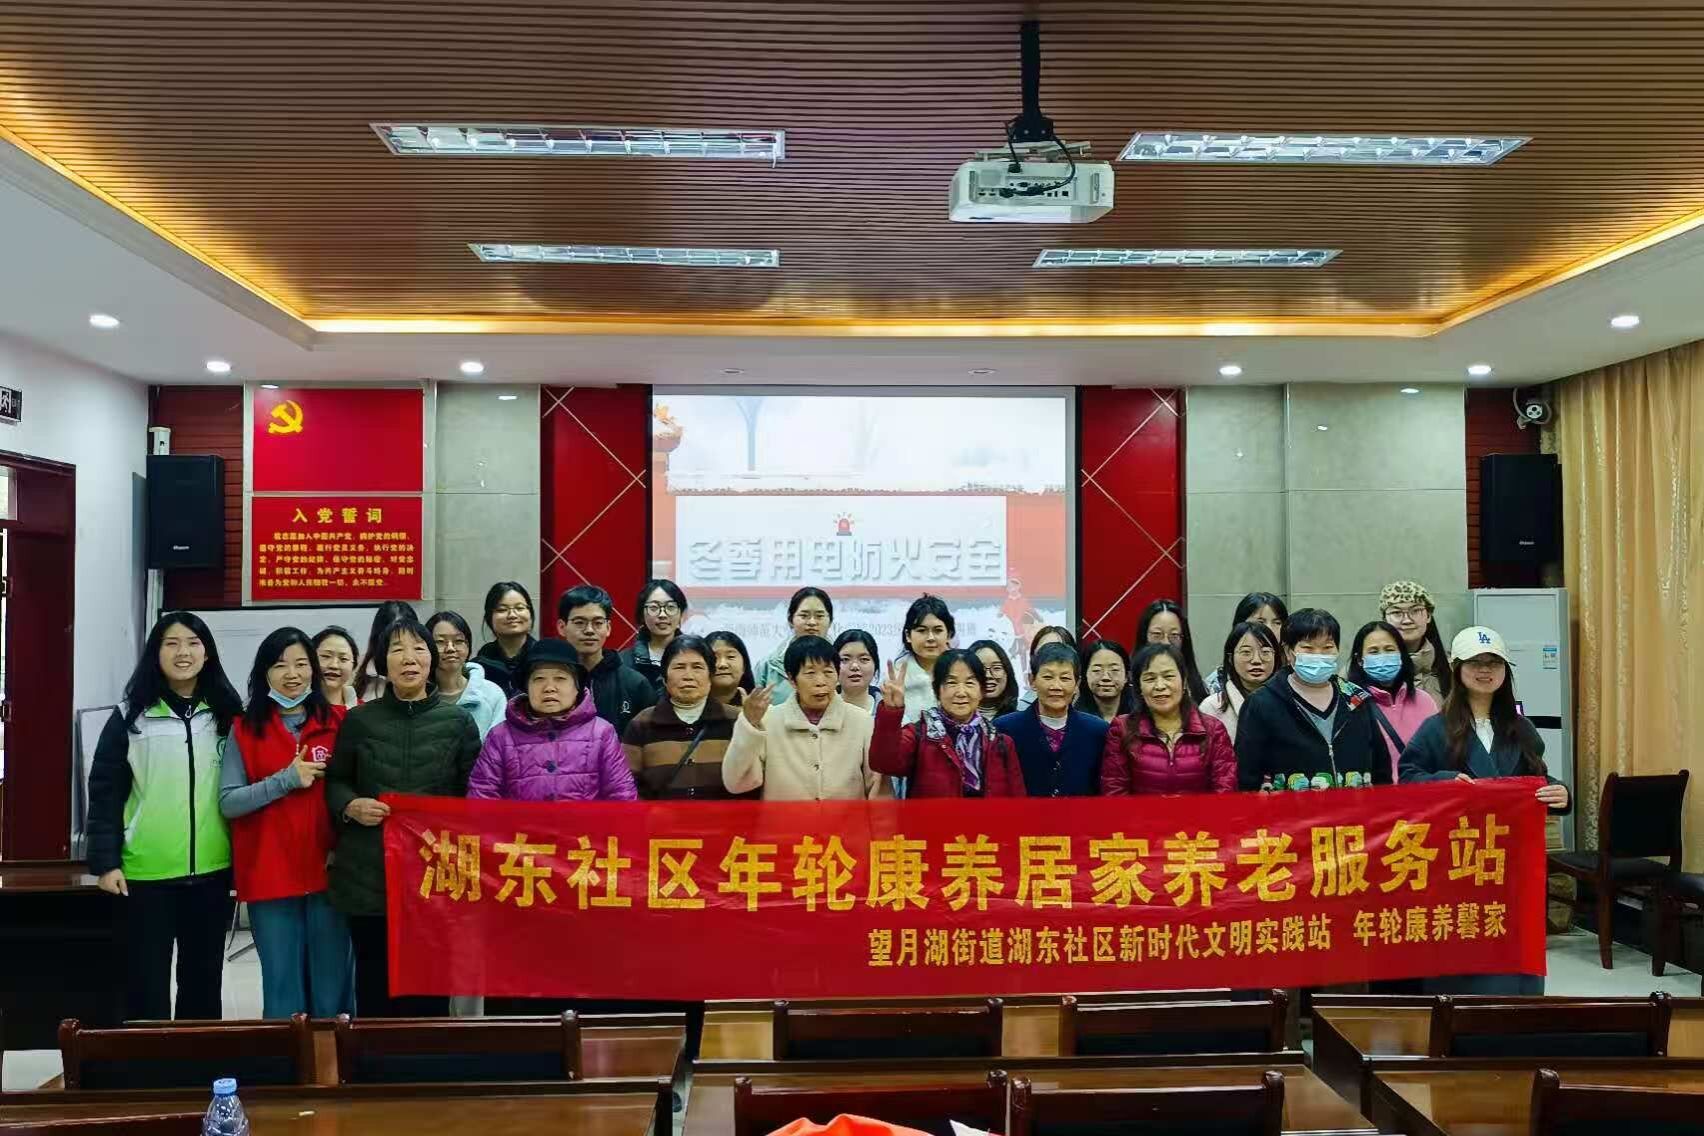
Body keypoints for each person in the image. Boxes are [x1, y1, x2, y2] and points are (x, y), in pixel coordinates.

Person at [87, 611, 243, 1021]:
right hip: (145, 873)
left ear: (207, 653)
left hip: (212, 870)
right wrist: (105, 862)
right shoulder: (130, 716)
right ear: (155, 653)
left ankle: (195, 1055)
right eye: (171, 643)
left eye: (192, 643)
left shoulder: (228, 715)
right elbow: (104, 792)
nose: (182, 652)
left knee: (203, 980)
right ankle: (147, 1059)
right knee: (145, 982)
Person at [1399, 625, 1571, 995]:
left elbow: (1536, 777)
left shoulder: (1521, 728)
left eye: (1494, 662)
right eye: (1475, 662)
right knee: (1463, 949)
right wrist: (1445, 781)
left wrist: (1560, 792)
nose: (1485, 670)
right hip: (1456, 862)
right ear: (1457, 669)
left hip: (1512, 863)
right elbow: (1408, 779)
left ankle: (1515, 1016)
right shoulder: (1435, 729)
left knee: (1513, 952)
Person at [325, 615, 480, 1017]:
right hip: (369, 872)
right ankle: (374, 1056)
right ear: (382, 662)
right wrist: (350, 806)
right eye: (397, 649)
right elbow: (337, 781)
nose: (409, 658)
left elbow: (473, 796)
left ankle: (426, 1054)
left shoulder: (459, 722)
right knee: (374, 982)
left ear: (432, 659)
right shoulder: (360, 720)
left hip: (434, 873)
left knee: (430, 982)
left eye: (418, 648)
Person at [218, 627, 353, 1019]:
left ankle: (335, 1057)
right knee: (282, 989)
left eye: (301, 664)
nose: (292, 674)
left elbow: (356, 793)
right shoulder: (244, 729)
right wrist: (285, 780)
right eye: (279, 665)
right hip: (270, 875)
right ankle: (287, 1056)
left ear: (314, 670)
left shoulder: (341, 723)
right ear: (264, 673)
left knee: (332, 988)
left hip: (330, 875)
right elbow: (229, 802)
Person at [1234, 608, 1392, 790]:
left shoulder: (1356, 699)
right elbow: (1247, 776)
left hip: (1355, 807)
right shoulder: (1262, 703)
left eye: (1327, 647)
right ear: (1288, 652)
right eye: (1308, 648)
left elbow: (1381, 769)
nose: (1319, 655)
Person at [467, 638, 636, 802]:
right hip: (519, 823)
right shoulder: (501, 736)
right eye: (539, 679)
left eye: (560, 679)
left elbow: (621, 796)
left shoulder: (601, 733)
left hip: (584, 823)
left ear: (577, 687)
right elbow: (482, 797)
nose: (549, 688)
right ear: (527, 687)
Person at [722, 636, 889, 800]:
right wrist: (749, 724)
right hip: (784, 819)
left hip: (848, 819)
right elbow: (736, 783)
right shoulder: (768, 721)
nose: (820, 681)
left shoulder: (862, 721)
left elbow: (878, 790)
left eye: (828, 672)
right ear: (791, 679)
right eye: (810, 673)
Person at [870, 650, 1027, 798]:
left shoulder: (1001, 743)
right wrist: (891, 712)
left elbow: (1017, 802)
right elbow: (884, 763)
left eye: (970, 683)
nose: (961, 692)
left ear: (981, 690)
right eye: (951, 683)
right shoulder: (919, 735)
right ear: (937, 690)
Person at [1101, 643, 1237, 795]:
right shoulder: (1122, 729)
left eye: (1168, 676)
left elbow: (1225, 791)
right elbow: (1114, 792)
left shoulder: (1213, 730)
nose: (1160, 686)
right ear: (1139, 687)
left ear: (1184, 682)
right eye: (1150, 678)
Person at [622, 635, 743, 799]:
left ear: (710, 676)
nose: (688, 676)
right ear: (665, 678)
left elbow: (747, 783)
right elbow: (628, 786)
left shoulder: (736, 721)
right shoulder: (642, 723)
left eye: (697, 667)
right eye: (679, 667)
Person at [995, 641, 1108, 797]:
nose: (1056, 686)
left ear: (1077, 684)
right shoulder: (1005, 729)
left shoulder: (1097, 731)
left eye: (1065, 678)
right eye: (1048, 677)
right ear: (1032, 681)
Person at [556, 584, 657, 736]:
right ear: (562, 627)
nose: (589, 630)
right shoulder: (549, 682)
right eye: (579, 623)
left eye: (597, 623)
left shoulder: (634, 684)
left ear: (608, 628)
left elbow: (650, 740)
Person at [1347, 619, 1439, 781]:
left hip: (1422, 792)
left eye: (1389, 650)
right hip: (1376, 794)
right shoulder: (1351, 705)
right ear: (1360, 660)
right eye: (1374, 652)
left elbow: (1439, 754)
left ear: (1401, 655)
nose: (1382, 657)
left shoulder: (1424, 701)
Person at [427, 611, 507, 739]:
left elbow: (499, 745)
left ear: (468, 646)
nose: (450, 648)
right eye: (440, 642)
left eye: (458, 641)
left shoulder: (492, 694)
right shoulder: (418, 695)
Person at [753, 587, 835, 704]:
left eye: (819, 616)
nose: (812, 622)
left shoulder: (843, 663)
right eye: (804, 615)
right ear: (790, 620)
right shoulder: (768, 666)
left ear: (830, 621)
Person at [1200, 622, 1279, 742]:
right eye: (1246, 652)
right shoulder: (1211, 707)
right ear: (1230, 658)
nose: (1256, 660)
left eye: (1265, 652)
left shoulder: (1290, 704)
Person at [1380, 580, 1452, 701]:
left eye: (1415, 611)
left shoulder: (1452, 669)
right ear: (1384, 619)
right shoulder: (1369, 668)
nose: (1407, 620)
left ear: (1428, 616)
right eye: (1396, 612)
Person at [621, 579, 689, 696]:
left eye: (670, 607)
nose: (662, 614)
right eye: (654, 608)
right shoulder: (624, 661)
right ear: (642, 615)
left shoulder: (695, 656)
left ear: (681, 614)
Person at [895, 594, 955, 725]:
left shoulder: (963, 670)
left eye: (938, 630)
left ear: (949, 634)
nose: (930, 638)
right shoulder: (895, 678)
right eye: (922, 631)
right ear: (908, 635)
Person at [1136, 599, 1210, 704]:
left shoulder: (1197, 687)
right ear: (1144, 636)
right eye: (1157, 634)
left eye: (1174, 635)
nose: (1165, 642)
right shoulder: (1129, 682)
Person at [474, 581, 537, 696]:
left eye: (519, 608)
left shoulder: (543, 656)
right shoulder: (482, 662)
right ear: (489, 617)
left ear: (530, 614)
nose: (512, 615)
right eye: (502, 610)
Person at [355, 600, 418, 701]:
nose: (397, 639)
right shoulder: (357, 667)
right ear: (378, 635)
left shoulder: (421, 667)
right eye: (391, 633)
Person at [1016, 624, 1077, 710]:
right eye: (1043, 650)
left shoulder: (1085, 708)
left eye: (1058, 649)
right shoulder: (1020, 709)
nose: (1050, 655)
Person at [1077, 639, 1136, 723]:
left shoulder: (1141, 715)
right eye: (1097, 670)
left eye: (1114, 670)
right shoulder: (1073, 716)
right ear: (1085, 675)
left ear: (1127, 676)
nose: (1106, 677)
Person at [834, 629, 882, 714]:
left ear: (875, 665)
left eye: (864, 659)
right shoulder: (820, 710)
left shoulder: (889, 712)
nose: (854, 666)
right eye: (845, 659)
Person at [970, 639, 1019, 721]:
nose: (988, 675)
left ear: (1007, 672)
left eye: (996, 668)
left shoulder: (1019, 721)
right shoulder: (954, 720)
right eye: (981, 668)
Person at [313, 626, 361, 709]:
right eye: (326, 656)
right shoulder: (297, 710)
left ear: (353, 665)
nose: (334, 665)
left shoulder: (363, 711)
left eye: (343, 659)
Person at [705, 630, 755, 707]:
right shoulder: (689, 708)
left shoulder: (762, 709)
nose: (723, 664)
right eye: (714, 658)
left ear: (744, 666)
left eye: (730, 657)